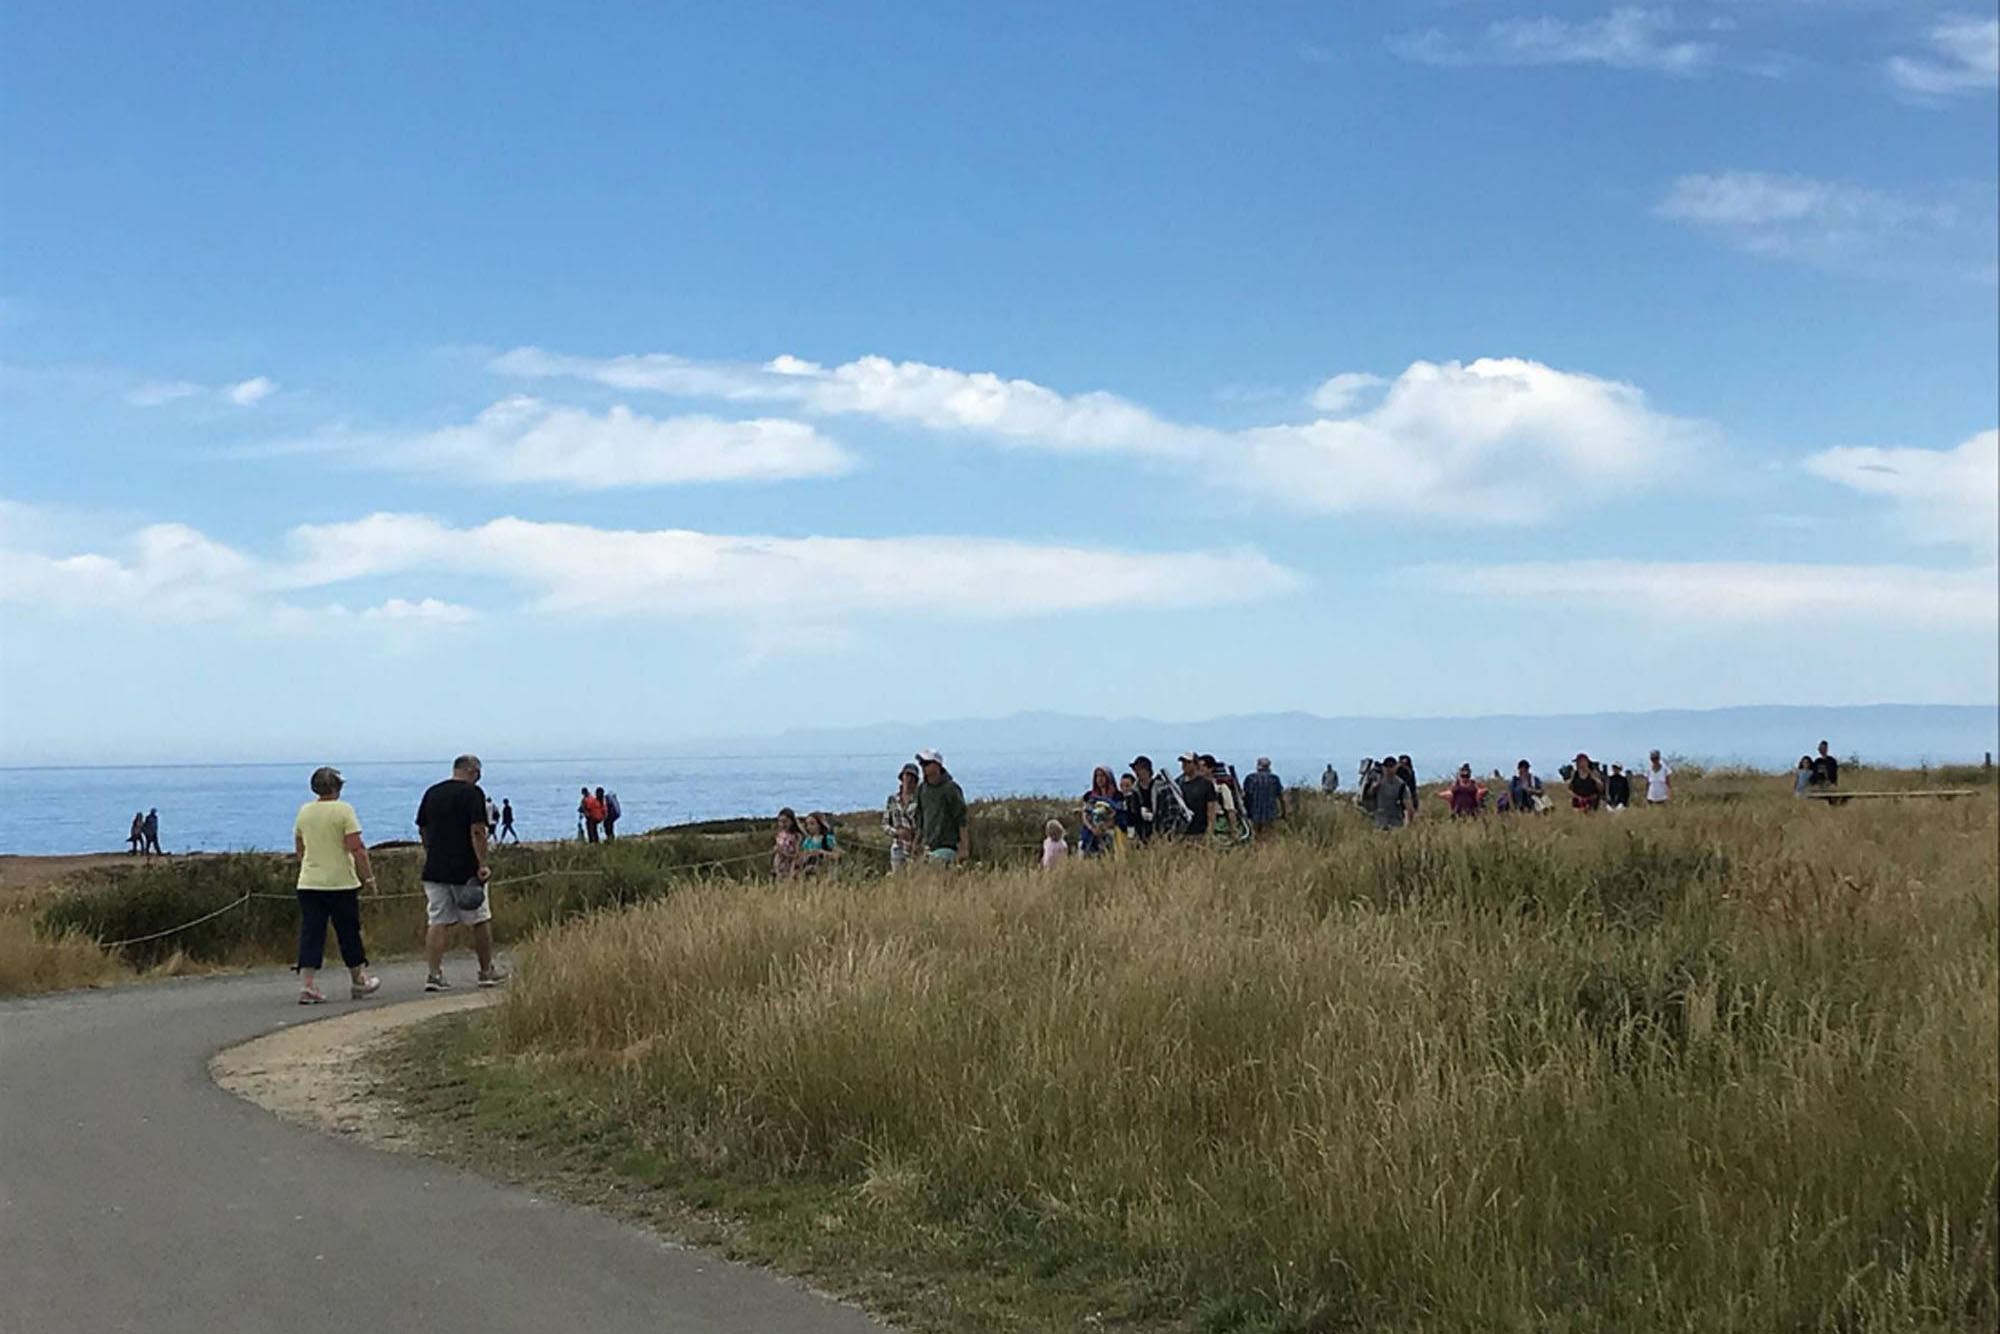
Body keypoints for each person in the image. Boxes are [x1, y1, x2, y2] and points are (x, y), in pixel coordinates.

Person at [291, 766, 382, 1005]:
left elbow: (299, 848)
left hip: (309, 882)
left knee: (311, 932)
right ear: (337, 787)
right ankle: (358, 978)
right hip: (341, 882)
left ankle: (308, 984)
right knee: (348, 931)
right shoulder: (344, 811)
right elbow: (356, 847)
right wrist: (368, 877)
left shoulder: (305, 811)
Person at [415, 754, 503, 991]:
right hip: (466, 869)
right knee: (480, 919)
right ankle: (486, 971)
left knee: (437, 920)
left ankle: (434, 974)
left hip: (435, 867)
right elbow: (477, 830)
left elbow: (422, 827)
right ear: (473, 772)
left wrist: (430, 849)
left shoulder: (432, 792)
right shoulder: (473, 793)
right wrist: (482, 862)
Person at [914, 750, 969, 864]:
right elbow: (920, 818)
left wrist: (964, 847)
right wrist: (916, 842)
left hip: (947, 846)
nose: (923, 767)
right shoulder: (922, 789)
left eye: (927, 763)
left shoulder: (950, 788)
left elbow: (961, 819)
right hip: (928, 846)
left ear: (937, 765)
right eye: (921, 764)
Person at [1130, 755, 1188, 841]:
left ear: (1148, 770)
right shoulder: (1134, 791)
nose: (1137, 772)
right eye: (1135, 769)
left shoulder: (1162, 788)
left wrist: (1167, 831)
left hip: (1161, 833)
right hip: (1141, 834)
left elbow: (1172, 811)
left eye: (1140, 769)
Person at [882, 764, 921, 870]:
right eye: (907, 775)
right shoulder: (892, 800)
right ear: (901, 777)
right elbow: (885, 824)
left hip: (915, 847)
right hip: (898, 848)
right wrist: (897, 832)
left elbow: (924, 824)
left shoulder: (920, 800)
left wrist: (915, 838)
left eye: (912, 777)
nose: (909, 780)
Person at [1079, 766, 1119, 856]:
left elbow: (1118, 814)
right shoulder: (1091, 796)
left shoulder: (1117, 796)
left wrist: (1105, 826)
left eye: (1102, 776)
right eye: (1097, 776)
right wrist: (1091, 828)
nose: (1100, 779)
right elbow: (1085, 813)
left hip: (1109, 833)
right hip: (1091, 833)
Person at [1178, 752, 1218, 840]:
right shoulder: (1178, 783)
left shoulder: (1205, 784)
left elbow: (1211, 809)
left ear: (1196, 764)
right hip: (1182, 832)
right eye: (1183, 762)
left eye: (1188, 762)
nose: (1184, 765)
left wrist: (1210, 831)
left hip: (1200, 832)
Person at [1242, 758, 1286, 837]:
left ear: (1258, 766)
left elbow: (1246, 795)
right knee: (1268, 834)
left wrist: (1245, 810)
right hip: (1270, 811)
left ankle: (1257, 848)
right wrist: (1283, 812)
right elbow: (1281, 797)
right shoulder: (1274, 779)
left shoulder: (1251, 778)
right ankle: (1266, 848)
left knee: (1255, 834)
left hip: (1254, 810)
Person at [1372, 755, 1415, 829]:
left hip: (1395, 824)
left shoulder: (1402, 785)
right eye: (1386, 766)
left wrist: (1409, 825)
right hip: (1378, 824)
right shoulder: (1377, 782)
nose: (1388, 769)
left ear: (1396, 767)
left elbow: (1409, 808)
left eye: (1391, 766)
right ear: (1383, 767)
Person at [772, 808, 802, 877]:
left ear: (792, 822)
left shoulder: (796, 836)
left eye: (785, 821)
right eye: (780, 821)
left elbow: (797, 855)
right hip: (778, 865)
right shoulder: (779, 834)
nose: (782, 824)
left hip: (790, 866)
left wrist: (784, 854)